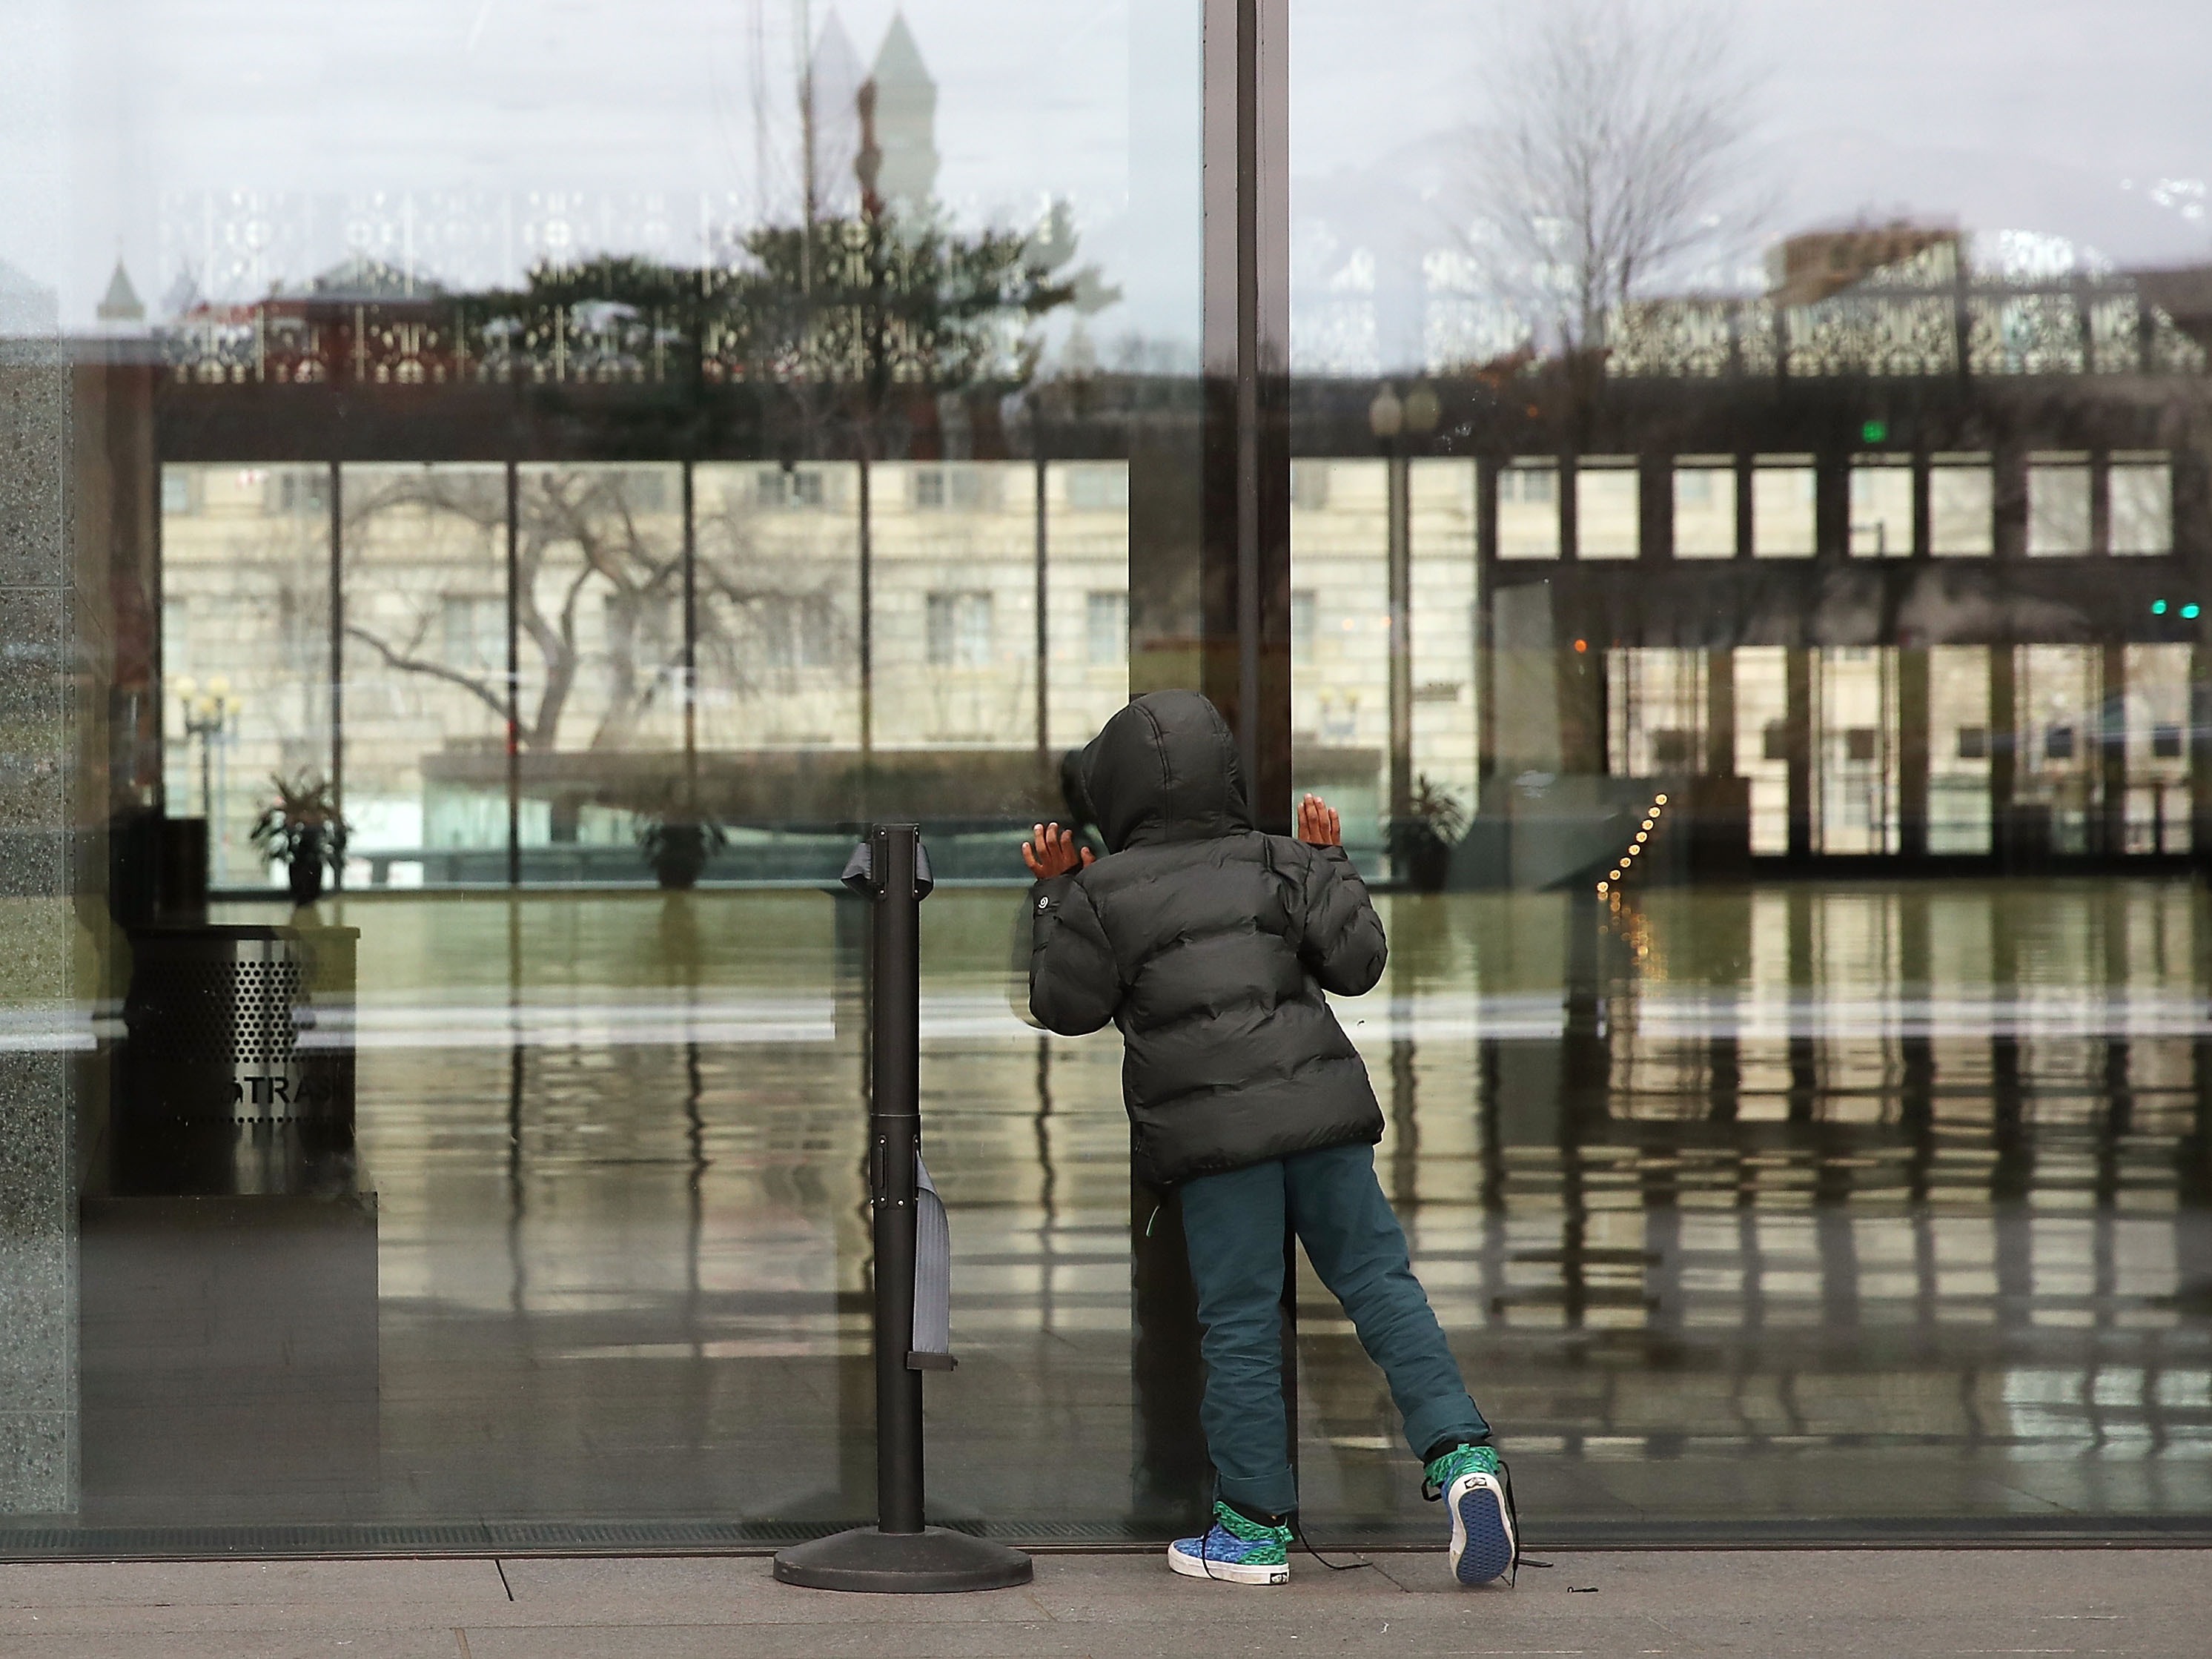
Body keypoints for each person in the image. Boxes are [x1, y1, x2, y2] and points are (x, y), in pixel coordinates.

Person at [1020, 689, 1514, 1587]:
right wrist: (1327, 861)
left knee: (1241, 1323)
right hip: (1319, 1120)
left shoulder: (1102, 891)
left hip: (1215, 1141)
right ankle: (1464, 1460)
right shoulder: (1280, 860)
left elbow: (1065, 1007)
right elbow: (1356, 966)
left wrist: (1055, 891)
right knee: (1381, 1287)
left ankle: (1250, 1531)